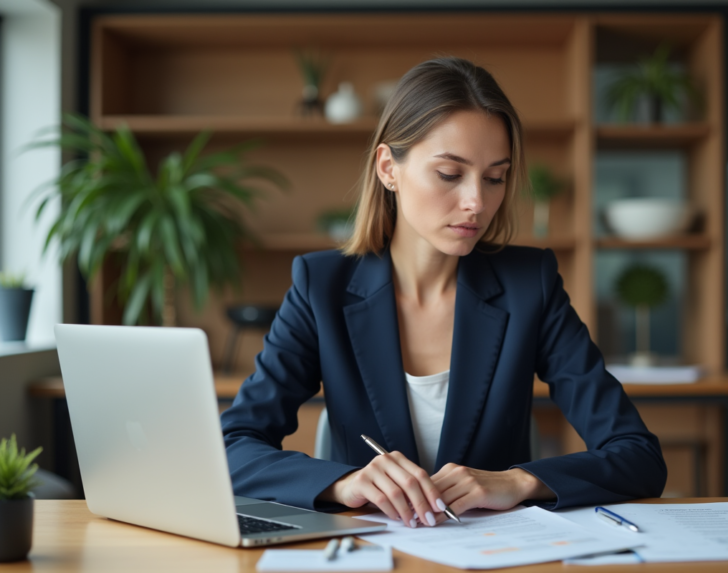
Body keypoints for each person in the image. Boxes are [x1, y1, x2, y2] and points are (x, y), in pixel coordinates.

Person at [221, 57, 666, 529]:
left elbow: (637, 455)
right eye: (451, 174)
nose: (477, 201)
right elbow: (234, 448)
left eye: (495, 178)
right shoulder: (321, 286)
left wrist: (518, 482)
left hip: (500, 554)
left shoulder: (529, 285)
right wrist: (345, 484)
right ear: (389, 168)